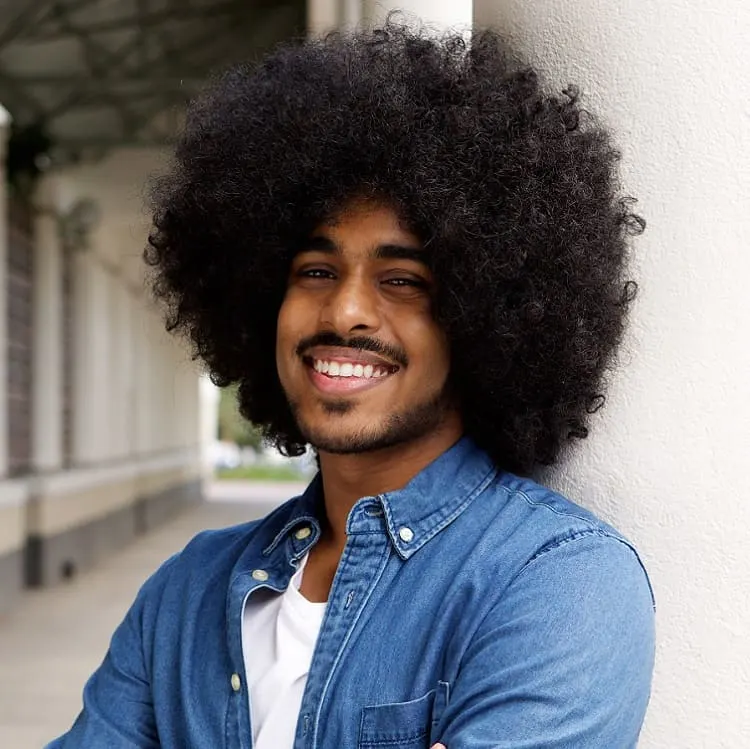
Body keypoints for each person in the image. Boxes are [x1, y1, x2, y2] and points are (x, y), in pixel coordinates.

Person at [48, 21, 655, 749]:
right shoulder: (186, 593)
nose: (344, 311)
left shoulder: (560, 582)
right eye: (315, 271)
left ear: (485, 316)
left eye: (403, 280)